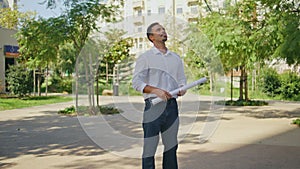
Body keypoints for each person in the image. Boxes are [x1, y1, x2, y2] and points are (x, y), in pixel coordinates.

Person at [132, 22, 187, 169]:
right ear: (151, 37)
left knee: (171, 147)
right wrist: (155, 90)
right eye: (158, 30)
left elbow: (181, 80)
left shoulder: (175, 58)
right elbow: (136, 82)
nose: (163, 31)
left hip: (172, 106)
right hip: (153, 106)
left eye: (163, 29)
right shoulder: (146, 58)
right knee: (150, 147)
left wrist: (182, 88)